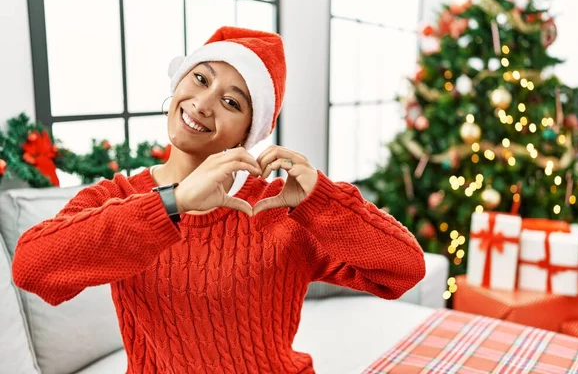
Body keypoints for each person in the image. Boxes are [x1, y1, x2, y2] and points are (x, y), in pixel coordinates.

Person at [12, 26, 426, 373]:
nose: (204, 103)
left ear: (248, 132)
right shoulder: (119, 199)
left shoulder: (278, 211)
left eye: (232, 102)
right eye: (201, 79)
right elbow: (32, 268)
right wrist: (171, 204)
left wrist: (322, 200)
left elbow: (403, 270)